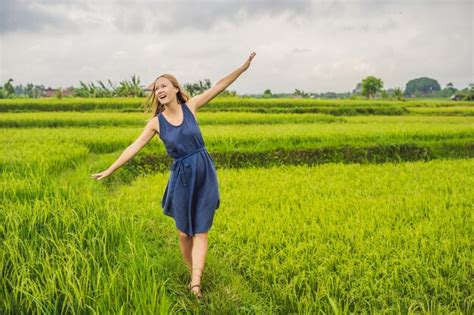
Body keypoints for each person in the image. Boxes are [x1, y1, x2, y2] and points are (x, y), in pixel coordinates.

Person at [91, 52, 256, 300]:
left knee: (200, 231)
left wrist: (242, 68)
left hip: (203, 171)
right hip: (181, 176)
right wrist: (111, 169)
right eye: (156, 88)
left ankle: (195, 282)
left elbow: (219, 86)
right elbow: (133, 148)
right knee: (183, 233)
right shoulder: (155, 123)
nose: (159, 90)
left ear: (176, 89)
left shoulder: (192, 107)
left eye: (163, 85)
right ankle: (193, 272)